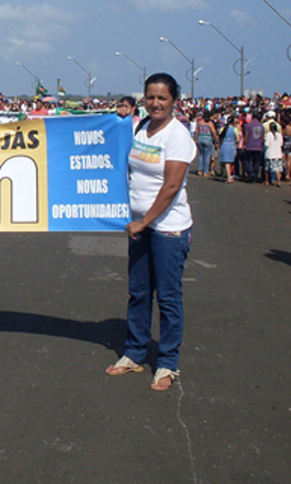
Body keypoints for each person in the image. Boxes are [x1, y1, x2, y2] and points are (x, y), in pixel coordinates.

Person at [106, 73, 196, 391]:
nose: (155, 103)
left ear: (174, 101)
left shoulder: (178, 136)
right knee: (139, 292)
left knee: (168, 297)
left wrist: (144, 222)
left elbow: (171, 186)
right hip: (139, 225)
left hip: (168, 228)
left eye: (162, 98)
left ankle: (168, 363)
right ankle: (134, 352)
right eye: (150, 97)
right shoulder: (141, 127)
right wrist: (118, 119)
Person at [194, 111, 218, 177]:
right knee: (207, 156)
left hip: (200, 138)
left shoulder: (199, 122)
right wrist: (216, 139)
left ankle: (199, 170)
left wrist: (195, 139)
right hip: (208, 139)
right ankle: (206, 171)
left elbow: (196, 131)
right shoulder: (209, 123)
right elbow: (213, 132)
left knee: (201, 155)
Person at [264, 116, 284, 187]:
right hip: (278, 153)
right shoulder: (279, 135)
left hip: (270, 154)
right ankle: (279, 181)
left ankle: (267, 181)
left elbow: (266, 144)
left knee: (267, 168)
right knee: (278, 169)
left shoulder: (269, 135)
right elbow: (281, 143)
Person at [219, 115, 239, 183]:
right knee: (230, 162)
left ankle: (228, 176)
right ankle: (229, 176)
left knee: (227, 162)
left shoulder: (222, 129)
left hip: (224, 145)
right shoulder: (235, 129)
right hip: (232, 145)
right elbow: (238, 139)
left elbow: (220, 138)